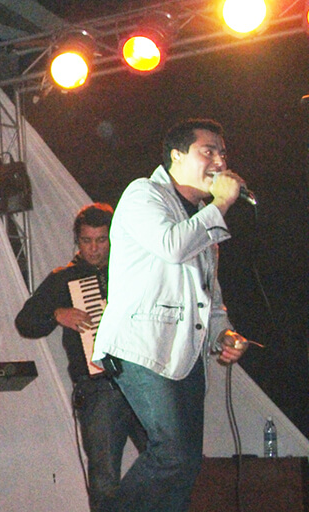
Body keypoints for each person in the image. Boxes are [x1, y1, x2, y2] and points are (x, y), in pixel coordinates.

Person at [92, 119, 251, 512]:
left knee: (186, 464)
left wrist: (223, 334)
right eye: (208, 151)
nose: (219, 161)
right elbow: (172, 246)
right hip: (143, 347)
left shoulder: (200, 216)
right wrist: (222, 204)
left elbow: (208, 296)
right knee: (172, 455)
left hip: (184, 354)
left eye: (223, 153)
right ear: (177, 156)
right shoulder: (144, 194)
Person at [15, 203, 147, 512]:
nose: (94, 248)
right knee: (103, 477)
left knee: (167, 459)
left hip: (143, 382)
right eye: (87, 241)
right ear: (77, 240)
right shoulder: (64, 279)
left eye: (101, 240)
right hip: (98, 388)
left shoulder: (132, 269)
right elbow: (25, 322)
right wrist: (56, 314)